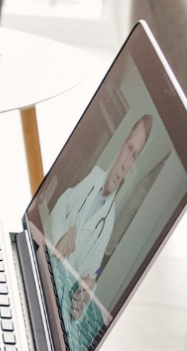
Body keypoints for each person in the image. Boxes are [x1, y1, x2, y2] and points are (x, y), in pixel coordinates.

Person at [42, 113, 153, 324]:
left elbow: (94, 268)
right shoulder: (93, 176)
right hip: (42, 257)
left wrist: (91, 283)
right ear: (122, 147)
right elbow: (63, 201)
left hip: (55, 291)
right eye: (129, 149)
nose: (126, 164)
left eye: (134, 156)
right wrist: (66, 231)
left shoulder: (107, 222)